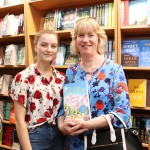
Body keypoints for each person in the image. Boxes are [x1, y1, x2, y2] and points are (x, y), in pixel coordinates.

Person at [58, 17, 132, 150]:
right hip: (75, 144)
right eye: (80, 35)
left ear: (99, 39)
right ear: (75, 41)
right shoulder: (71, 72)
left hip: (106, 143)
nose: (85, 40)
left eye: (90, 35)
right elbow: (62, 109)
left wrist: (87, 124)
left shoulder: (114, 69)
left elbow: (123, 113)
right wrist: (62, 126)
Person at [9, 30, 65, 150]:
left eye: (53, 46)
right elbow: (19, 121)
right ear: (35, 47)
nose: (49, 49)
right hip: (35, 136)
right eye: (44, 45)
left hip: (58, 135)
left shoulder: (61, 78)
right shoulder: (23, 77)